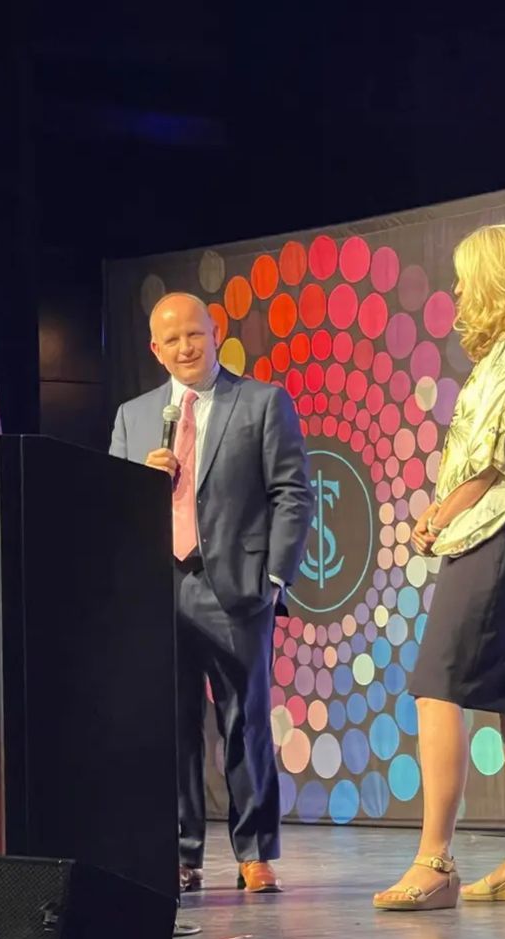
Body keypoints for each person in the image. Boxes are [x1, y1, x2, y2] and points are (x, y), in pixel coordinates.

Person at [373, 224, 505, 911]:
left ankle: (435, 861)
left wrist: (437, 514)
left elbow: (488, 456)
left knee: (437, 685)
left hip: (497, 532)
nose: (456, 290)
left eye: (465, 277)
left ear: (494, 279)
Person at [110, 293, 313, 894]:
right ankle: (179, 853)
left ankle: (254, 852)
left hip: (235, 587)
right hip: (160, 588)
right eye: (171, 341)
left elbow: (293, 494)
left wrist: (273, 578)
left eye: (194, 335)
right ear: (155, 350)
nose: (185, 348)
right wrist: (142, 486)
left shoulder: (260, 402)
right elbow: (113, 508)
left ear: (214, 330)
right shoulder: (134, 415)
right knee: (171, 727)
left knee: (244, 722)